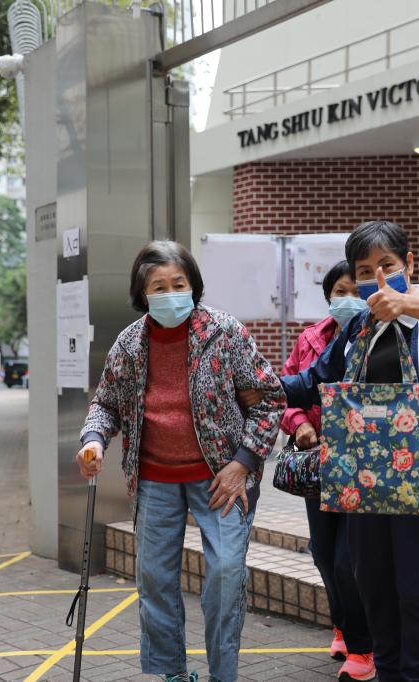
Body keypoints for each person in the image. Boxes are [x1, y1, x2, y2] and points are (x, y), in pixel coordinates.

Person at [282, 221, 419, 682]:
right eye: (364, 271)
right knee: (373, 585)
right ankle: (389, 673)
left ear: (409, 263)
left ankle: (417, 677)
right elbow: (313, 380)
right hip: (365, 479)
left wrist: (409, 304)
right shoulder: (360, 325)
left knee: (415, 589)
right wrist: (262, 386)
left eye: (386, 265)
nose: (376, 278)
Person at [76, 241, 285, 682]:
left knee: (225, 575)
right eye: (159, 286)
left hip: (222, 476)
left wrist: (244, 461)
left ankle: (222, 674)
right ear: (142, 293)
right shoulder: (129, 343)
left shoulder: (224, 332)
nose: (171, 293)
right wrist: (93, 440)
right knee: (154, 579)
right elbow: (106, 404)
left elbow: (270, 399)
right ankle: (171, 672)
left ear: (193, 285)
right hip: (155, 477)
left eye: (179, 283)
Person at [280, 260, 375, 681]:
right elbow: (293, 387)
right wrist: (299, 423)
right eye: (341, 291)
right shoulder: (310, 339)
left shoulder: (375, 335)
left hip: (362, 465)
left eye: (356, 290)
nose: (349, 299)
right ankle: (343, 627)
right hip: (318, 466)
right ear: (328, 297)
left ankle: (363, 648)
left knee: (346, 560)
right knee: (322, 552)